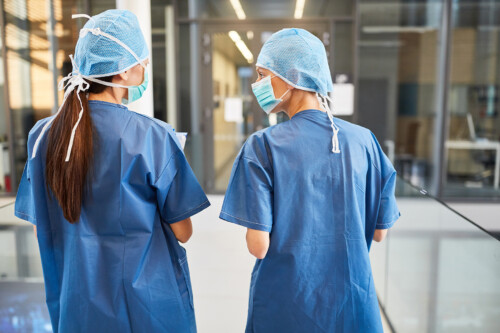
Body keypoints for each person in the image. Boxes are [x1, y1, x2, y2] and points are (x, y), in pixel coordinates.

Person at [14, 10, 209, 333]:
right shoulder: (153, 136)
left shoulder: (43, 136)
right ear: (121, 73)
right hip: (146, 309)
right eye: (142, 63)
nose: (146, 68)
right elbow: (183, 231)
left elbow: (41, 228)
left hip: (76, 308)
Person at [219, 28, 400, 332]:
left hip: (286, 307)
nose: (257, 84)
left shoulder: (263, 146)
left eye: (263, 74)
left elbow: (258, 246)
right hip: (353, 306)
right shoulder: (364, 141)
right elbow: (380, 232)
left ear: (291, 77)